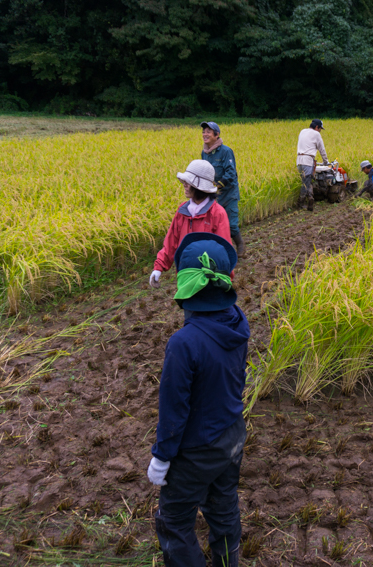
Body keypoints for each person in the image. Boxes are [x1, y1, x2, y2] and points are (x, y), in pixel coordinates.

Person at [147, 231, 249, 567]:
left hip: (196, 450)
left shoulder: (184, 343)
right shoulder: (238, 322)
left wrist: (162, 457)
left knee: (174, 521)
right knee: (223, 507)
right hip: (232, 434)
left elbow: (173, 410)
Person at [149, 160, 231, 289]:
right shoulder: (182, 211)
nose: (184, 185)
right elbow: (171, 242)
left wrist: (226, 280)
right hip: (185, 277)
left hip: (209, 280)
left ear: (199, 187)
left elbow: (224, 250)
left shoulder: (217, 213)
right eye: (185, 182)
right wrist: (158, 268)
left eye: (189, 183)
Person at [200, 121, 246, 258]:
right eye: (203, 132)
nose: (205, 134)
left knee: (231, 225)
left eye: (208, 131)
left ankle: (241, 245)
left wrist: (217, 185)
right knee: (215, 226)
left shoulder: (226, 151)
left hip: (229, 193)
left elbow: (231, 174)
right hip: (214, 195)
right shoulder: (204, 153)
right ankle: (223, 252)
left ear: (216, 135)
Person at [296, 119, 330, 212]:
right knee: (306, 183)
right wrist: (326, 162)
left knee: (307, 180)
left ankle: (311, 198)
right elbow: (322, 149)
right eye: (320, 129)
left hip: (299, 160)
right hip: (308, 160)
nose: (320, 131)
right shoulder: (316, 134)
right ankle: (301, 203)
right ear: (316, 127)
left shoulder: (302, 131)